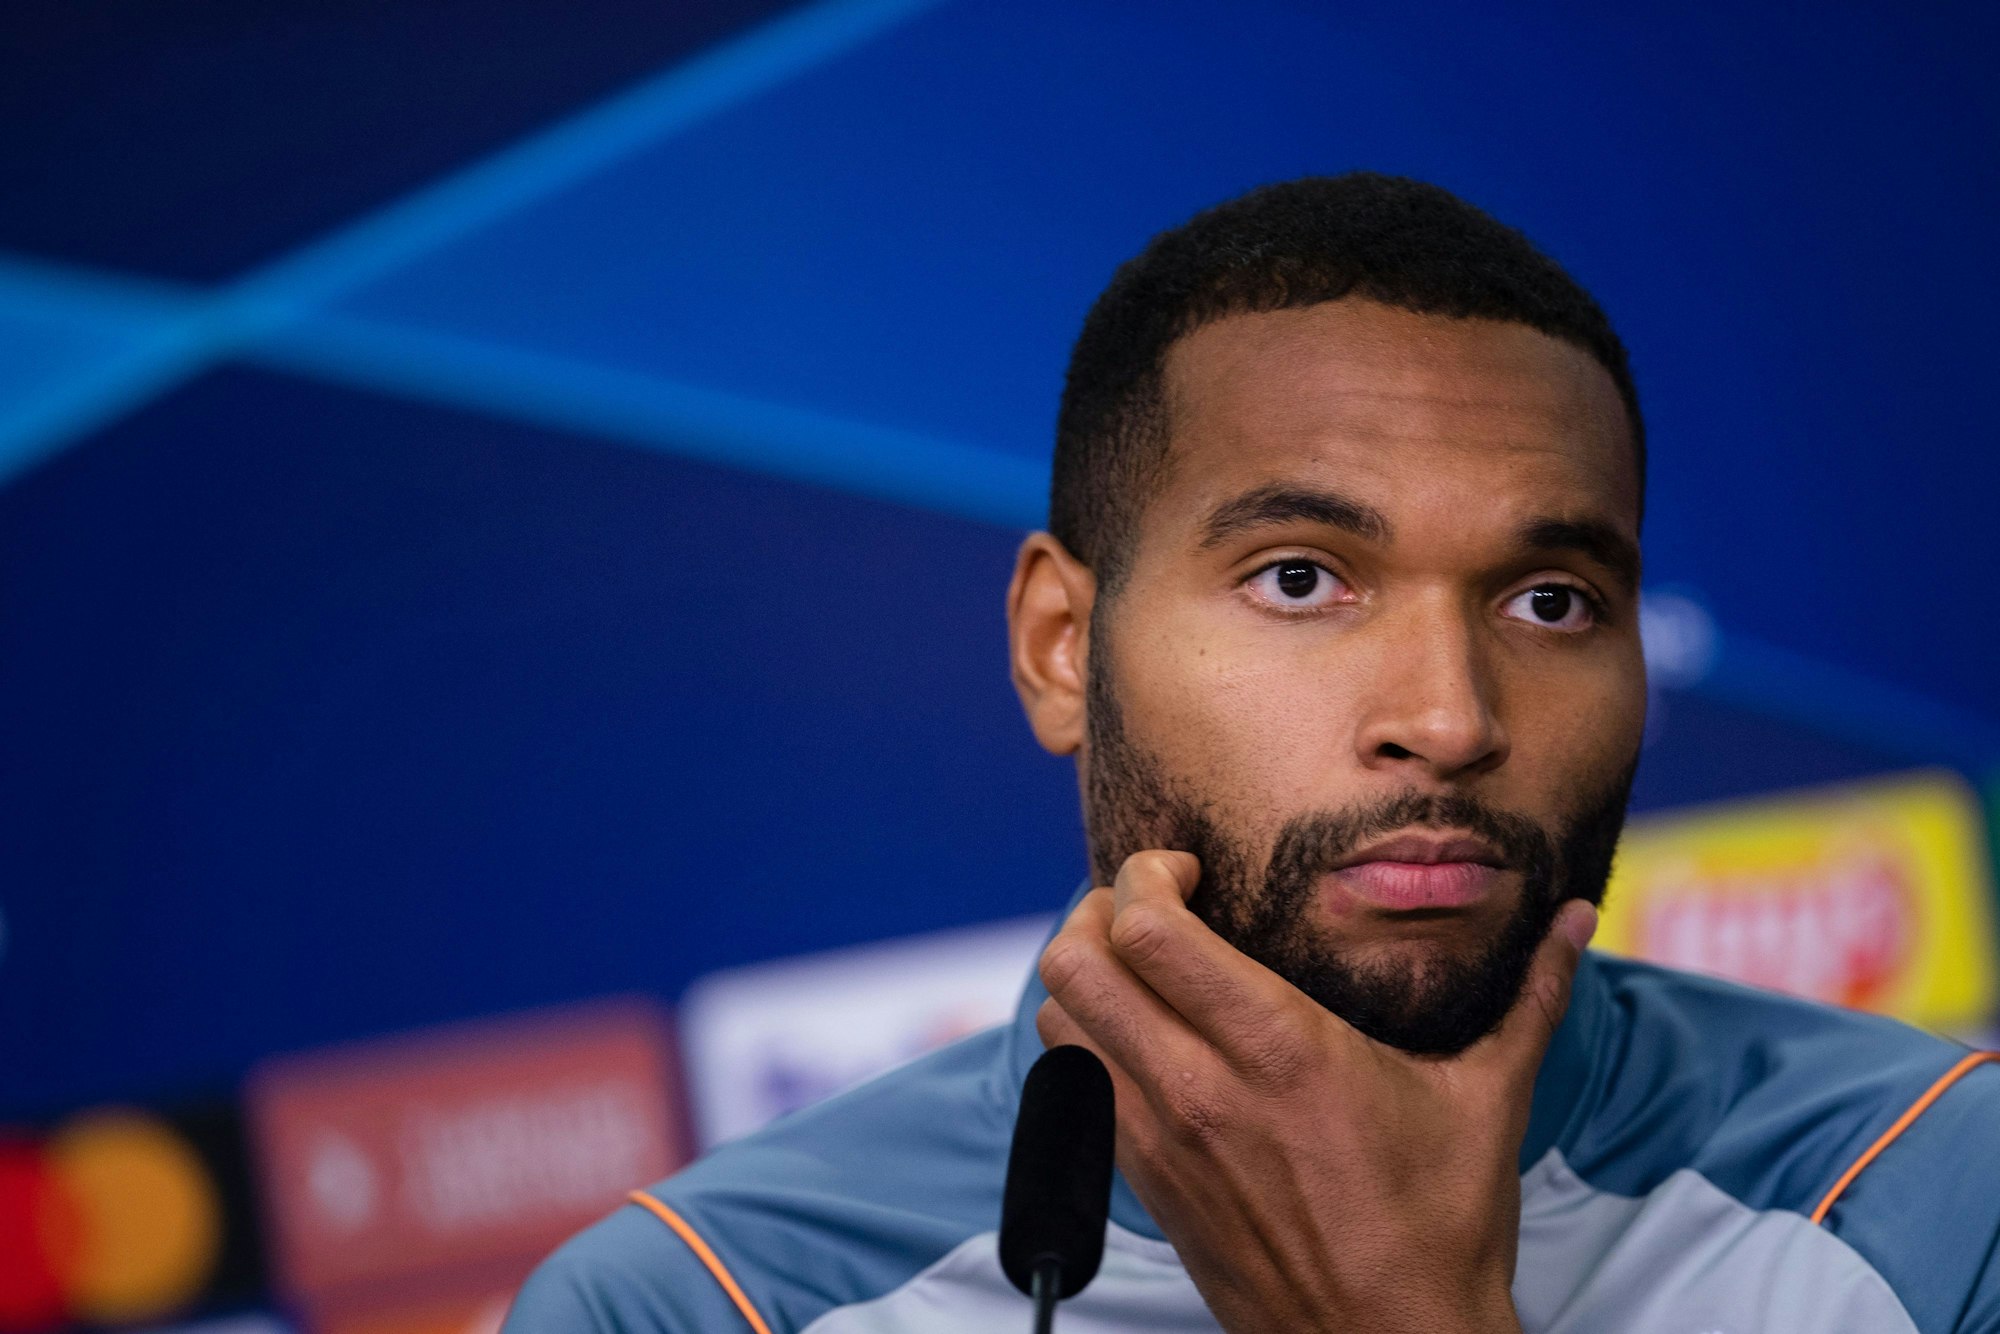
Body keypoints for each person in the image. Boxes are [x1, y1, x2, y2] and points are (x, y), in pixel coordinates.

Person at [502, 174, 2000, 1332]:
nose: (1454, 716)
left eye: (1552, 600)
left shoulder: (1942, 1198)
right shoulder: (702, 1303)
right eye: (1301, 577)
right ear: (1060, 646)